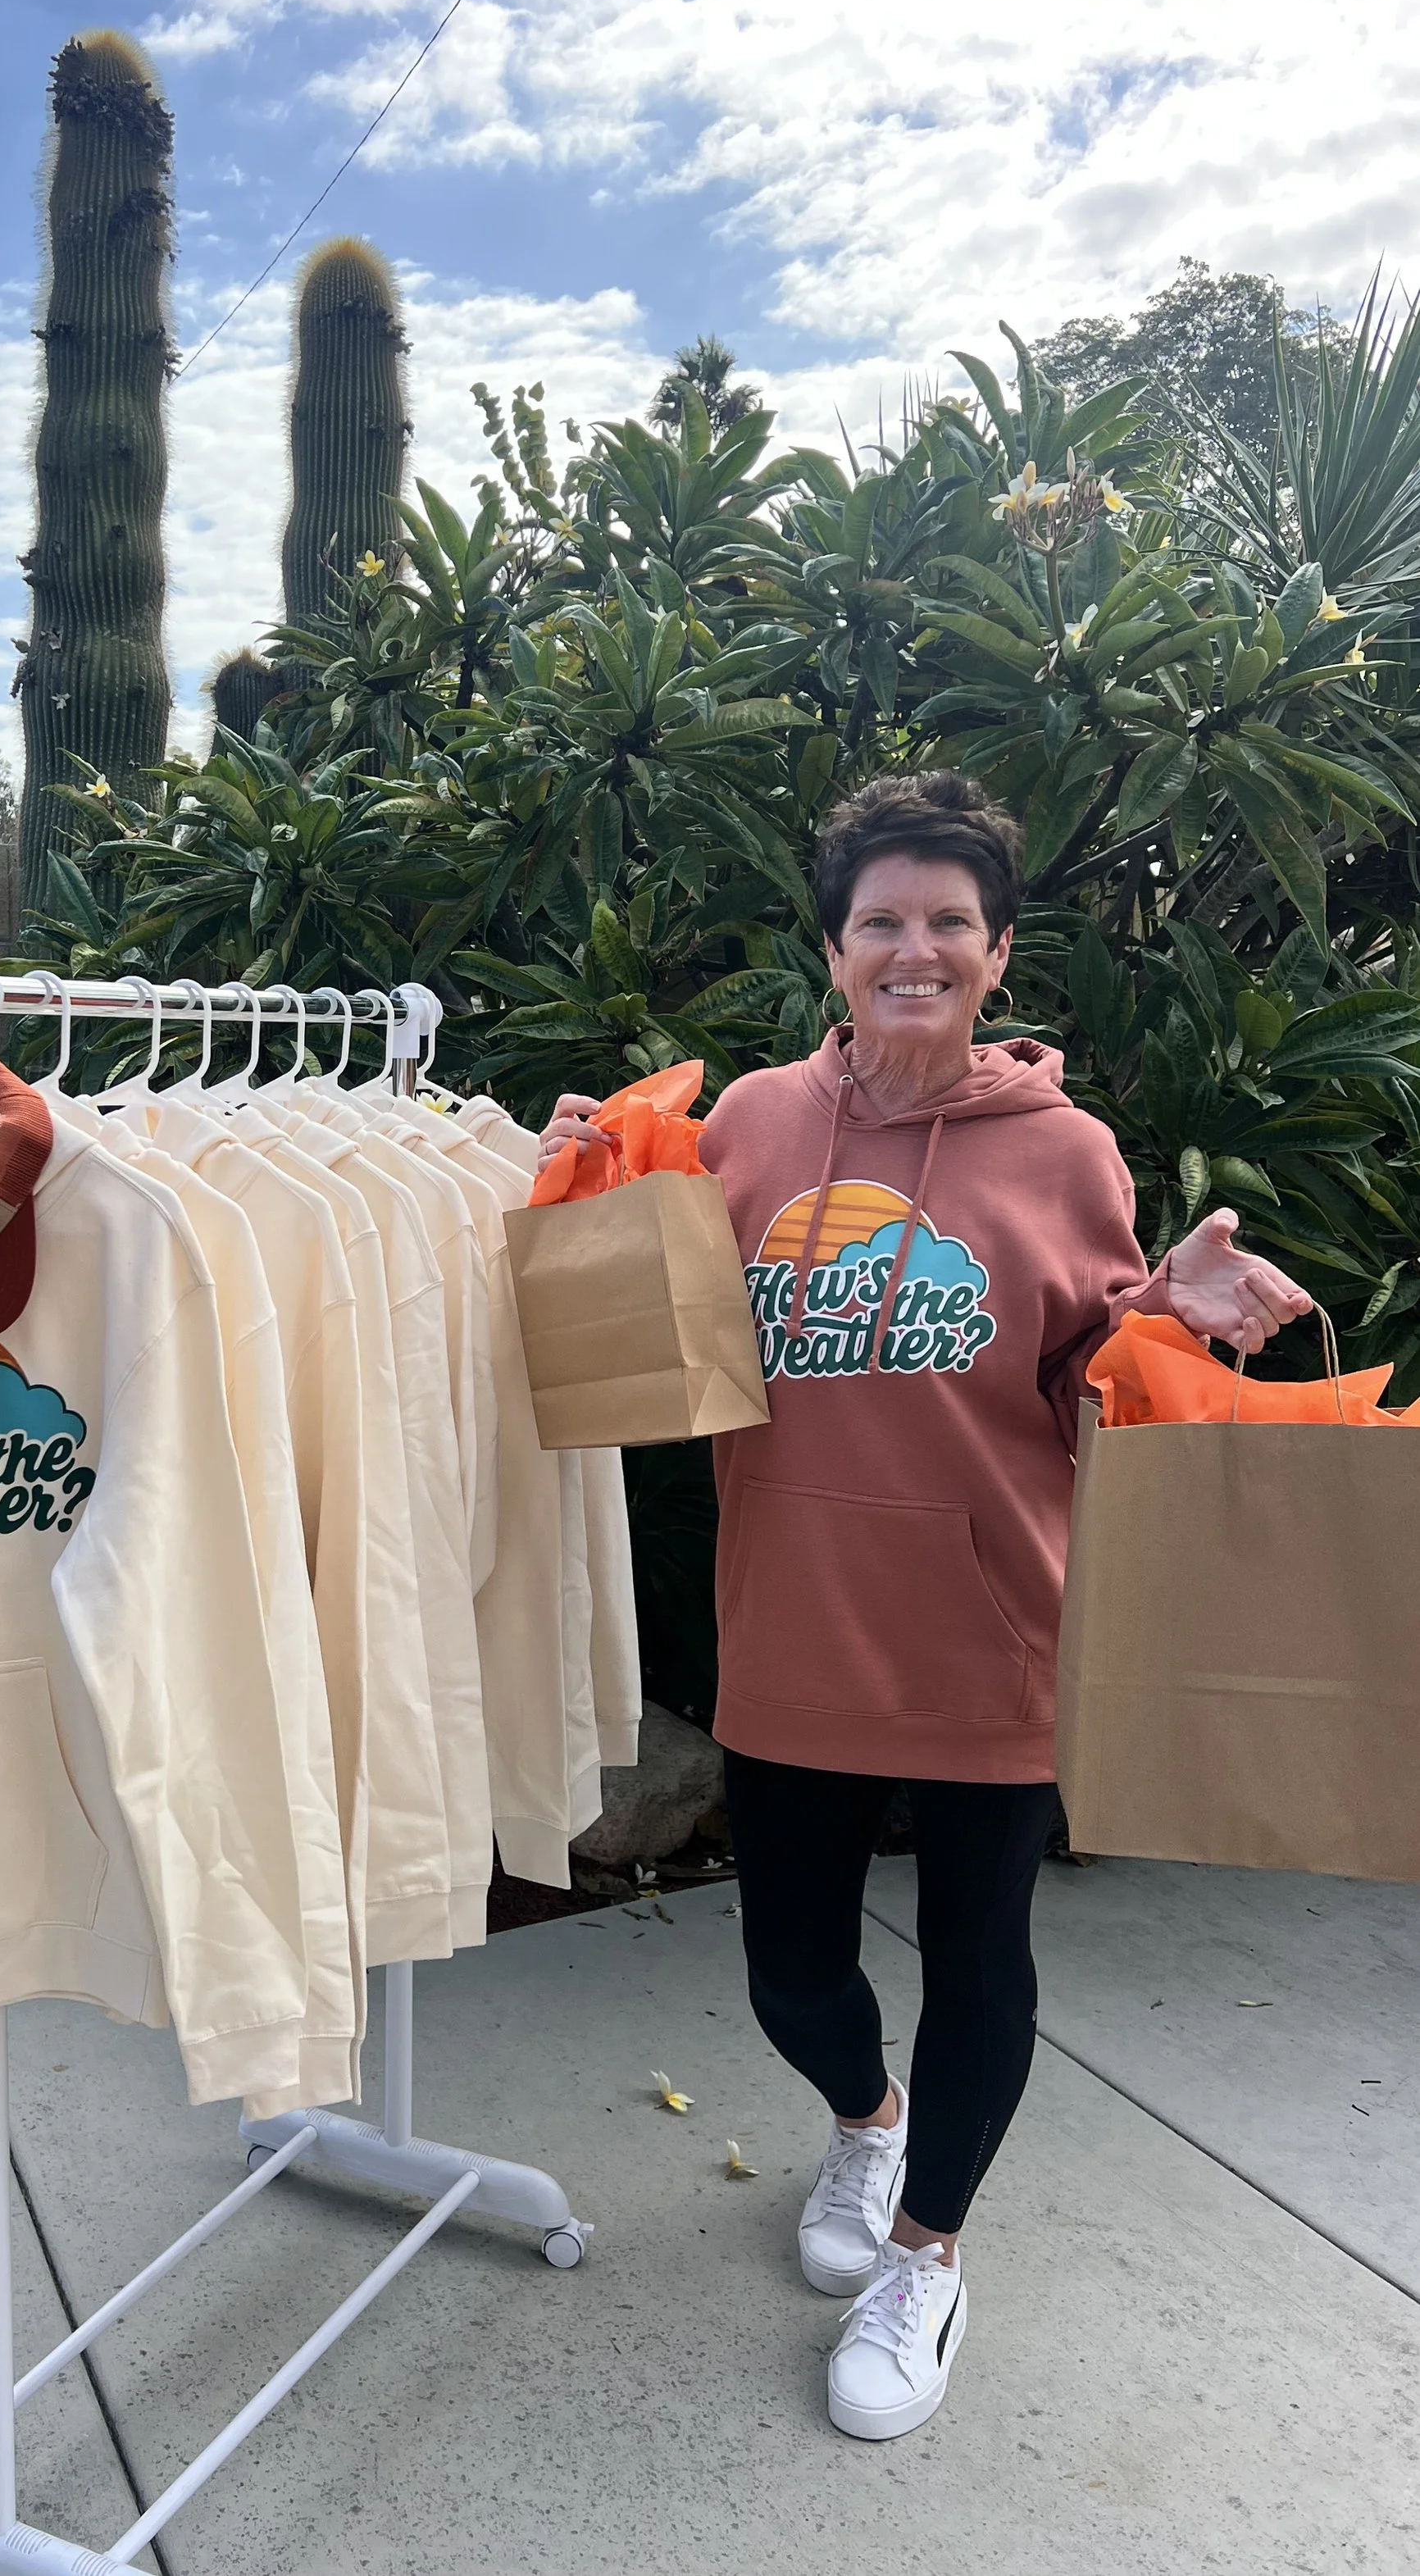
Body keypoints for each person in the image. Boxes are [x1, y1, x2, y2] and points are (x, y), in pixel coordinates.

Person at [539, 771, 1310, 2442]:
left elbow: (1084, 1369)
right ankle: (863, 2113)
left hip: (991, 1633)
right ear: (831, 951)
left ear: (994, 952)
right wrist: (576, 1183)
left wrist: (1163, 1313)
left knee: (979, 1958)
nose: (913, 947)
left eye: (946, 922)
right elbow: (638, 1320)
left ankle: (924, 2250)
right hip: (793, 1620)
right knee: (788, 1972)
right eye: (879, 919)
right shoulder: (742, 1123)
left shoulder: (1065, 1150)